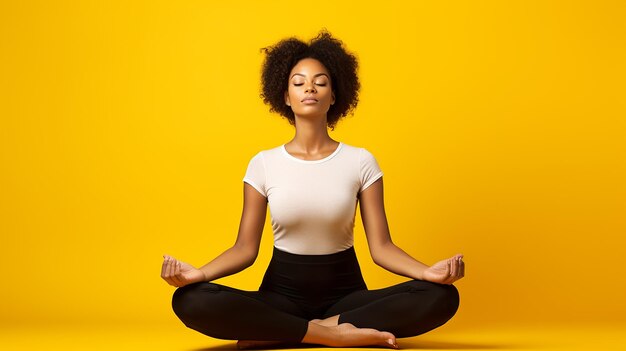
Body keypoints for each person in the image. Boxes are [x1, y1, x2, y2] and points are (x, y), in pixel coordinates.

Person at [161, 29, 465, 349]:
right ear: (285, 96)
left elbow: (382, 248)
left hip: (348, 300)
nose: (310, 87)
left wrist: (428, 272)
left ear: (333, 95)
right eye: (298, 82)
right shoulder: (263, 163)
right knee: (191, 300)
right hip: (280, 298)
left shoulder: (360, 161)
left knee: (441, 296)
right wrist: (199, 274)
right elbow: (244, 250)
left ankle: (287, 332)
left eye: (320, 82)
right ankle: (331, 334)